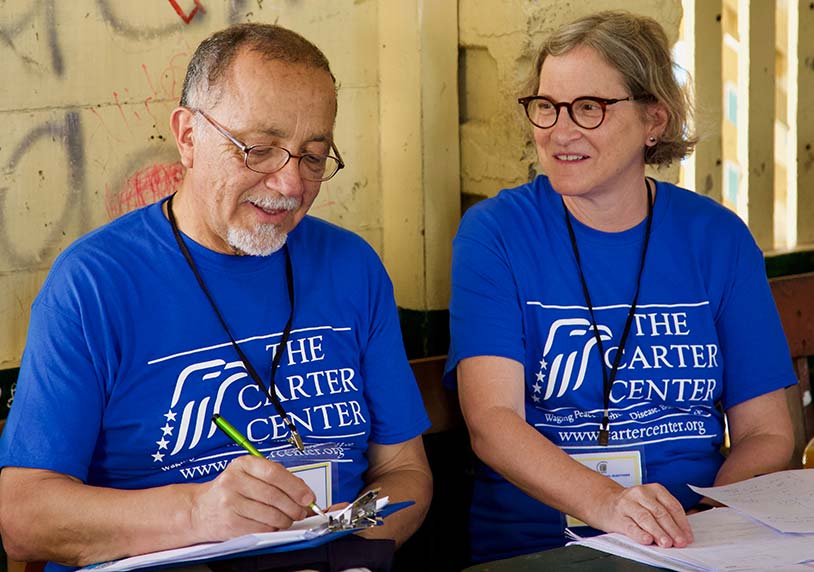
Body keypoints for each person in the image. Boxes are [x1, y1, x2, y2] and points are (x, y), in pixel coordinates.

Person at [0, 23, 432, 572]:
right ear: (187, 136)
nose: (290, 185)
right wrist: (197, 513)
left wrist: (353, 551)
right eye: (259, 150)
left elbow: (405, 469)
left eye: (313, 156)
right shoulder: (93, 284)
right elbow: (23, 519)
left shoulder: (352, 267)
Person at [445, 10, 796, 563]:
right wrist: (609, 504)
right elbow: (493, 422)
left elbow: (767, 433)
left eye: (589, 109)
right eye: (546, 107)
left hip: (697, 539)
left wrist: (702, 527)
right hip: (541, 546)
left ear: (653, 119)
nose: (559, 132)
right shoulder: (496, 233)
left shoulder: (716, 237)